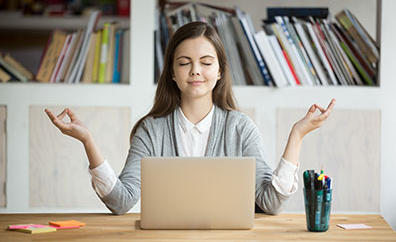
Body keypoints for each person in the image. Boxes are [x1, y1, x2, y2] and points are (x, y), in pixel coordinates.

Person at [45, 21, 335, 215]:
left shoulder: (240, 128)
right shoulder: (152, 130)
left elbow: (270, 203)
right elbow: (121, 202)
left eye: (206, 63)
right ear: (172, 72)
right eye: (184, 63)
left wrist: (297, 135)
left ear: (219, 71)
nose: (195, 71)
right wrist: (87, 140)